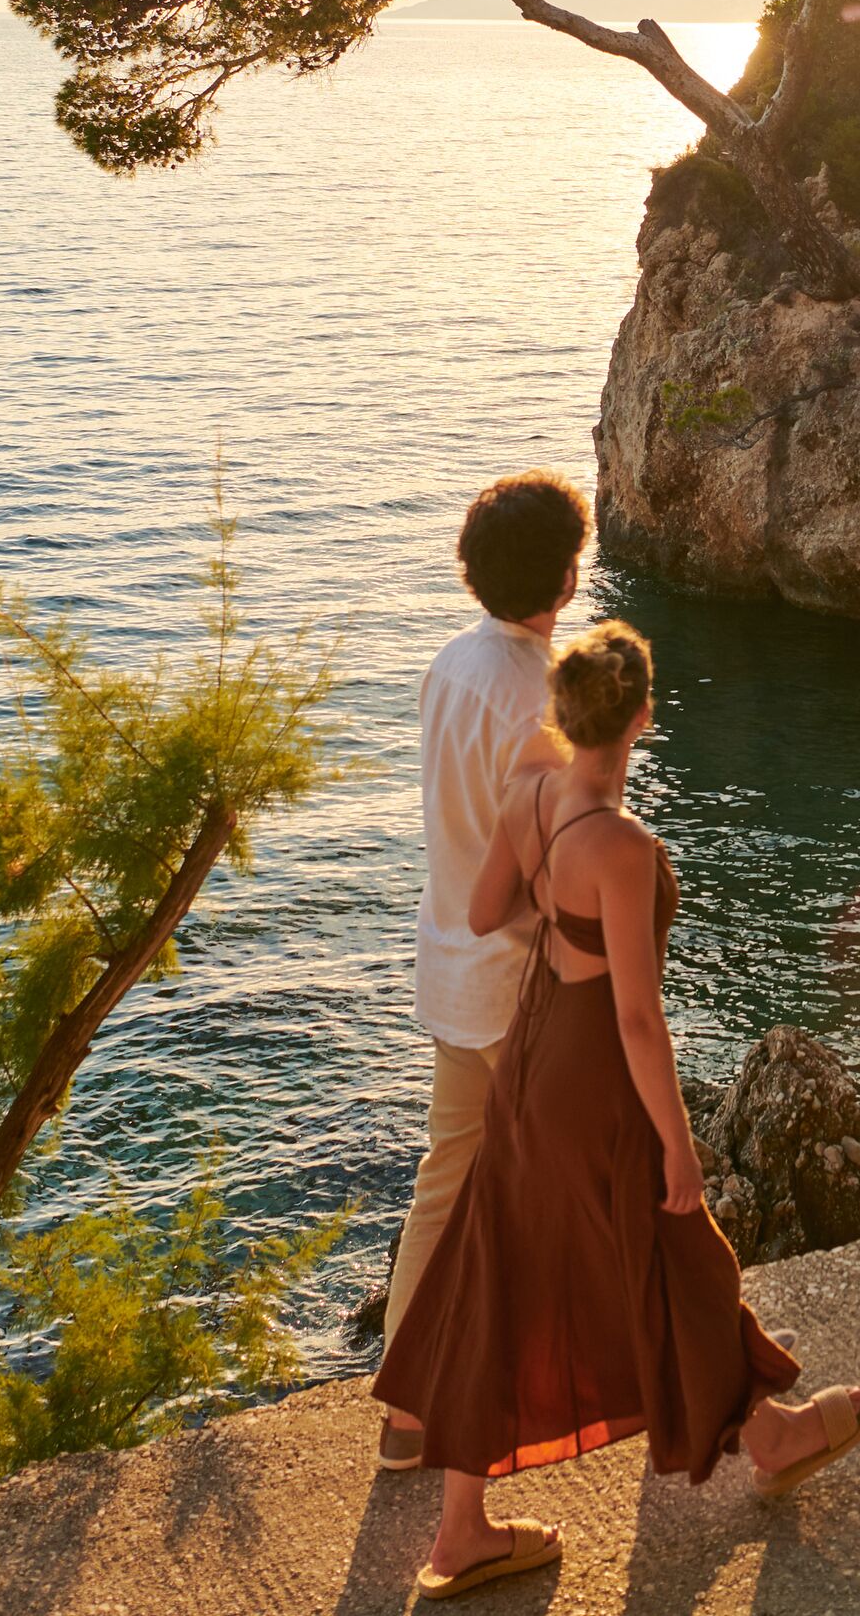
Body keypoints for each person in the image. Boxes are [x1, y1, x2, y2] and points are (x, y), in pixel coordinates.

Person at [375, 620, 860, 1600]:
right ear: (643, 717)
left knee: (500, 1268)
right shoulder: (624, 847)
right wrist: (680, 1149)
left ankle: (463, 1530)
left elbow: (485, 914)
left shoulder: (531, 799)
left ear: (563, 715)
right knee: (684, 1256)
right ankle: (772, 1437)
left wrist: (557, 934)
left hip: (529, 1056)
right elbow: (641, 1022)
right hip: (596, 1074)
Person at [374, 472, 591, 1476]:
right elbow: (544, 873)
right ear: (567, 573)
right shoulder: (540, 701)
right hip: (521, 982)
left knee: (445, 1178)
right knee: (596, 1190)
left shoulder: (451, 665)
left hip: (450, 973)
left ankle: (406, 1411)